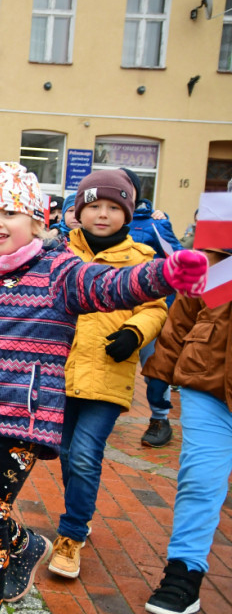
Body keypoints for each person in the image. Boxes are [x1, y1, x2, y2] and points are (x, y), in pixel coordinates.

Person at [0, 162, 207, 614]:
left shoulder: (61, 272)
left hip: (22, 420)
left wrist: (166, 274)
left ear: (37, 222)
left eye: (10, 213)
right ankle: (23, 546)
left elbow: (113, 285)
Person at [47, 170, 168, 581]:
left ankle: (71, 534)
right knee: (64, 454)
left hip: (107, 374)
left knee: (84, 454)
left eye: (113, 208)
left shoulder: (141, 259)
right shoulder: (59, 253)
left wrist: (135, 332)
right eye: (94, 206)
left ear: (127, 213)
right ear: (79, 211)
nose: (102, 215)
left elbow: (156, 308)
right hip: (60, 374)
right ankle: (79, 511)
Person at [142, 178, 232, 614]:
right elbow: (186, 309)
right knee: (201, 478)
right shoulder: (221, 234)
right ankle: (183, 576)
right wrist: (160, 372)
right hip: (208, 379)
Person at [120, 167, 185, 448]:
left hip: (151, 311)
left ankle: (160, 418)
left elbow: (180, 261)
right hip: (109, 311)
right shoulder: (98, 221)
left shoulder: (154, 223)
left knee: (155, 367)